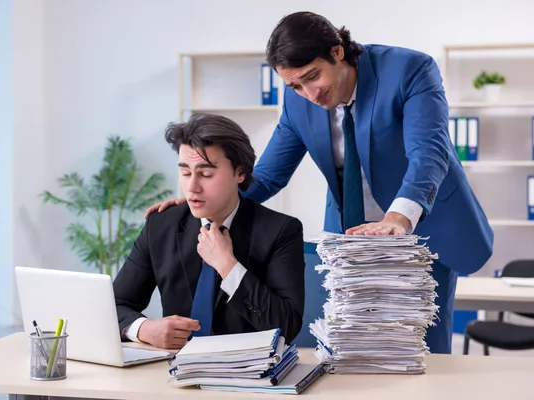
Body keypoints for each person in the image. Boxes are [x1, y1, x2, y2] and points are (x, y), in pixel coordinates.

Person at [144, 12, 494, 354]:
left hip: (420, 229)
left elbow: (428, 154)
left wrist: (396, 219)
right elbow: (267, 176)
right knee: (348, 348)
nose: (309, 94)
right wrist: (203, 198)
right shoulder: (298, 101)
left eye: (313, 77)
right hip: (348, 237)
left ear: (337, 52)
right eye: (294, 85)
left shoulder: (409, 70)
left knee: (420, 348)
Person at [113, 112, 305, 350]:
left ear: (240, 173)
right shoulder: (161, 224)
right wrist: (143, 329)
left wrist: (228, 265)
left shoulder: (281, 231)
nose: (192, 187)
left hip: (247, 374)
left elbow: (287, 327)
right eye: (185, 172)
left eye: (206, 174)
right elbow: (114, 305)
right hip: (174, 372)